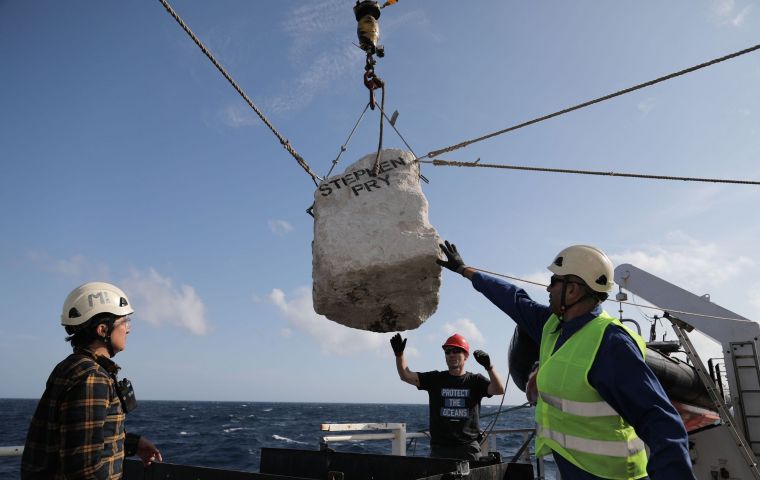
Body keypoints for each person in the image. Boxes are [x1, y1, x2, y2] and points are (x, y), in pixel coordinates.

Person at [437, 241, 695, 479]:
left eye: (554, 281)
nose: (548, 288)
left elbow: (662, 422)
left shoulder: (611, 343)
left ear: (572, 290)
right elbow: (513, 299)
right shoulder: (551, 325)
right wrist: (465, 270)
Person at [22, 282, 162, 479]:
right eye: (124, 322)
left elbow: (77, 437)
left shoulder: (72, 366)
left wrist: (131, 443)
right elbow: (83, 469)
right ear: (103, 330)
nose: (128, 329)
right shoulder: (92, 377)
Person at [390, 332, 505, 460]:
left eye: (456, 351)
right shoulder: (435, 379)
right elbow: (406, 376)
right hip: (440, 450)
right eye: (448, 351)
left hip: (468, 449)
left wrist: (489, 367)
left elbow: (499, 389)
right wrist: (399, 355)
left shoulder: (475, 380)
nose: (451, 354)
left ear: (466, 356)